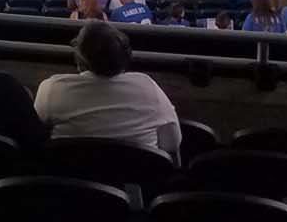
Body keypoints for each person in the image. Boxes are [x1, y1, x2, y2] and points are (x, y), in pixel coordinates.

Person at [34, 20, 182, 160]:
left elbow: (35, 138)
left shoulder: (52, 88)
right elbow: (172, 143)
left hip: (70, 183)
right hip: (136, 183)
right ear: (125, 57)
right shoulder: (148, 87)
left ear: (79, 60)